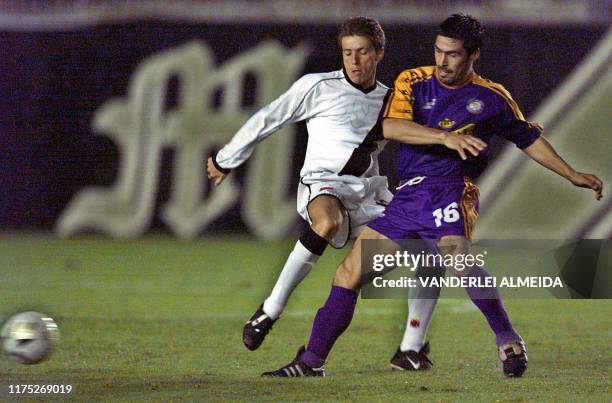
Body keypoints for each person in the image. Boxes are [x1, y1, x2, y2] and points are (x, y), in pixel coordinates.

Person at [262, 13, 603, 378]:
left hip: (450, 189)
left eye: (452, 54)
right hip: (408, 198)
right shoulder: (413, 80)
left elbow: (528, 138)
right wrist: (445, 137)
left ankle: (507, 339)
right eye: (438, 51)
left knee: (455, 256)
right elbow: (391, 126)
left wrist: (571, 174)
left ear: (472, 55)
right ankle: (311, 362)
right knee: (348, 273)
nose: (442, 61)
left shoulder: (491, 98)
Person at [207, 17, 394, 351]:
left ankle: (409, 345)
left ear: (379, 53)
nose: (353, 60)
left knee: (417, 244)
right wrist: (226, 158)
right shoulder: (318, 86)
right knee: (327, 221)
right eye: (347, 52)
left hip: (367, 195)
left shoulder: (393, 100)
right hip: (322, 185)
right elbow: (269, 117)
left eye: (362, 52)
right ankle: (270, 310)